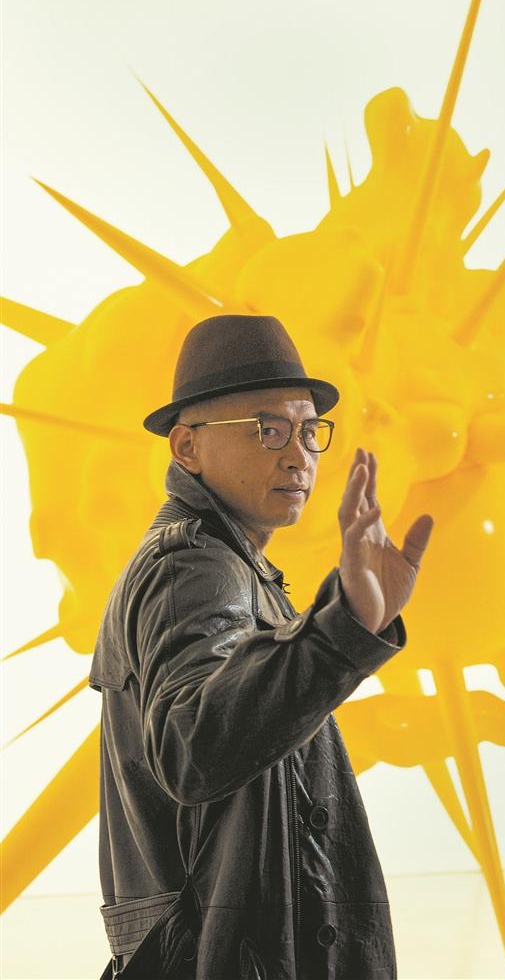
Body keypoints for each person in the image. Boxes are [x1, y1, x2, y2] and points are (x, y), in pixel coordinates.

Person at [89, 314, 434, 980]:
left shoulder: (226, 565)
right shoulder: (196, 567)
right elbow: (195, 747)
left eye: (309, 431)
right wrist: (343, 627)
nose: (299, 455)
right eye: (268, 429)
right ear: (187, 447)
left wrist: (347, 620)